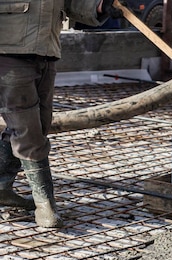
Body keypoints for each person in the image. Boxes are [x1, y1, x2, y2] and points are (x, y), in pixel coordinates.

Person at [0, 0, 121, 228]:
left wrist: (99, 8)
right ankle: (45, 204)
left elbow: (72, 3)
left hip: (46, 52)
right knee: (28, 132)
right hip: (9, 52)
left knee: (39, 124)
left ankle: (2, 187)